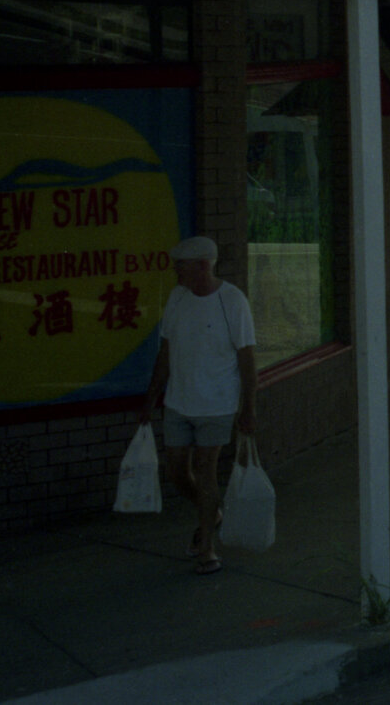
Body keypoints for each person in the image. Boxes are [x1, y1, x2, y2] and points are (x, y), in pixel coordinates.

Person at [138, 236, 257, 576]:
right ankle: (212, 513)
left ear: (203, 266)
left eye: (181, 265)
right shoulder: (177, 298)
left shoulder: (232, 301)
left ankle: (207, 546)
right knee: (177, 472)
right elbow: (165, 352)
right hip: (178, 401)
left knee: (206, 471)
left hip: (216, 405)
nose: (176, 271)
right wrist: (151, 399)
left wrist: (248, 408)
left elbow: (247, 359)